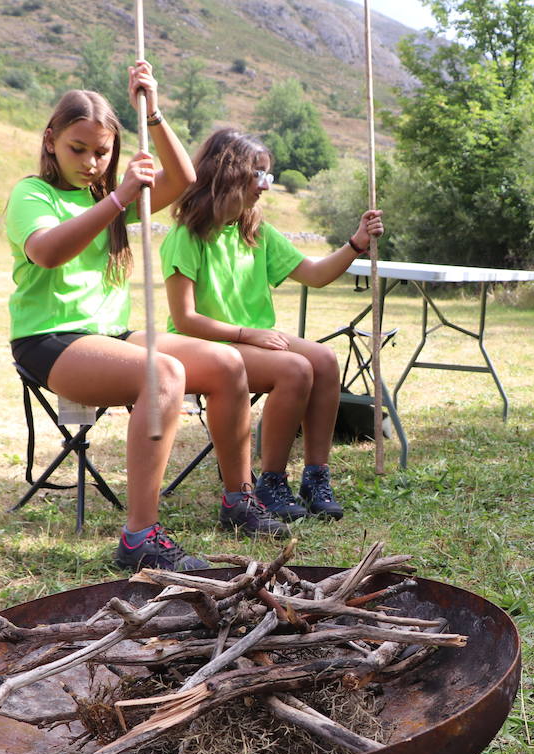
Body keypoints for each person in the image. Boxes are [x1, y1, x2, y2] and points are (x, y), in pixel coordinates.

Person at [6, 64, 286, 575]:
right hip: (49, 338)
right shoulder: (34, 195)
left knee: (225, 365)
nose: (92, 162)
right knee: (164, 374)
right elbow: (47, 253)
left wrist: (153, 111)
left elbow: (184, 179)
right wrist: (118, 198)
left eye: (102, 152)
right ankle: (140, 538)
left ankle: (238, 500)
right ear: (50, 141)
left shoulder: (105, 197)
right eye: (78, 149)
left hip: (111, 333)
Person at [163, 128, 384, 521]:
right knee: (295, 368)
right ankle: (271, 481)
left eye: (269, 175)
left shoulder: (256, 232)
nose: (266, 186)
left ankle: (316, 476)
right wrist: (248, 334)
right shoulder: (187, 235)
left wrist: (356, 244)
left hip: (252, 341)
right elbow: (185, 319)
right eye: (259, 174)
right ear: (229, 174)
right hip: (205, 345)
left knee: (325, 360)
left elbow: (315, 275)